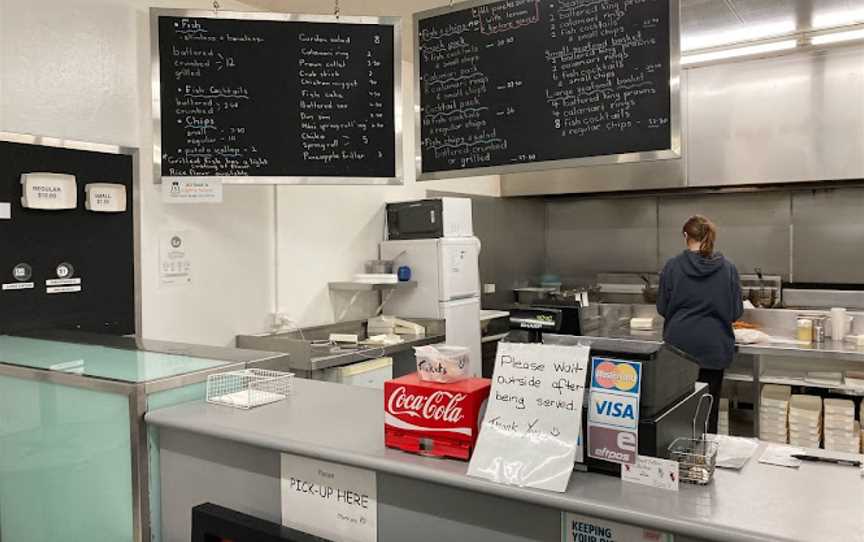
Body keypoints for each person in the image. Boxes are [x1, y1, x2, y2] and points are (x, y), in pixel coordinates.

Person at [657, 215, 743, 433]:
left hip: (678, 349)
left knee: (675, 410)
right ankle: (703, 461)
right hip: (713, 348)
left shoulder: (672, 266)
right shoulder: (728, 268)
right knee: (707, 409)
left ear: (686, 236)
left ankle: (676, 457)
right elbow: (735, 312)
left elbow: (662, 308)